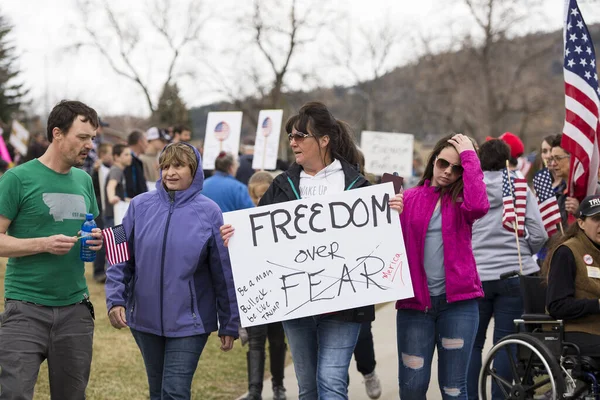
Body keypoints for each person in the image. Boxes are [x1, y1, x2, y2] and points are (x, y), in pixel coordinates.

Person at [221, 101, 404, 399]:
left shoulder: (357, 185)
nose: (292, 142)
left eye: (299, 136)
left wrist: (394, 209)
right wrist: (235, 236)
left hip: (344, 306)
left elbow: (380, 235)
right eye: (290, 136)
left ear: (324, 140)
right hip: (297, 307)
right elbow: (257, 234)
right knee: (308, 388)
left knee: (331, 381)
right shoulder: (281, 185)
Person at [105, 142, 239, 400]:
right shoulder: (138, 205)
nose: (170, 173)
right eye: (165, 166)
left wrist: (229, 322)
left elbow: (223, 271)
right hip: (144, 319)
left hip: (190, 323)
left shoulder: (210, 212)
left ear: (195, 170)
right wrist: (115, 299)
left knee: (174, 392)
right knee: (157, 393)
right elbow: (118, 253)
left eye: (178, 165)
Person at [0, 100, 103, 399]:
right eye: (82, 137)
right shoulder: (17, 179)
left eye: (92, 138)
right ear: (57, 133)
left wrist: (93, 240)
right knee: (14, 394)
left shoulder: (84, 180)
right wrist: (43, 244)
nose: (89, 145)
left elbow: (89, 226)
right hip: (25, 309)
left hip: (76, 310)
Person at [396, 133, 489, 400]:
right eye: (443, 164)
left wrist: (470, 156)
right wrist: (391, 211)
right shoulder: (409, 198)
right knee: (412, 389)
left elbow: (480, 204)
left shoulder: (463, 203)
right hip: (415, 307)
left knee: (454, 388)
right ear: (433, 160)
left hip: (458, 306)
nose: (448, 172)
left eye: (457, 168)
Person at [467, 139, 548, 400]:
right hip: (515, 273)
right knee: (505, 345)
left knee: (472, 345)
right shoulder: (520, 186)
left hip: (477, 276)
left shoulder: (470, 189)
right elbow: (539, 232)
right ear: (507, 160)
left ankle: (469, 395)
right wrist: (526, 248)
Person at [242, 171, 288, 400]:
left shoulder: (284, 218)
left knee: (278, 341)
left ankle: (278, 385)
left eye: (264, 195)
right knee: (256, 341)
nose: (260, 201)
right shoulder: (245, 222)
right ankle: (254, 389)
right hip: (256, 292)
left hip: (280, 290)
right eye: (256, 197)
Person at [545, 195, 600, 355]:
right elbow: (556, 306)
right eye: (596, 219)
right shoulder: (567, 252)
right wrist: (596, 305)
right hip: (577, 330)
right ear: (581, 223)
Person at [91, 142, 113, 283]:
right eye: (110, 153)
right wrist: (95, 171)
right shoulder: (97, 169)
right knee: (100, 239)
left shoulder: (112, 168)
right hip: (100, 206)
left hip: (110, 208)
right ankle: (98, 271)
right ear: (103, 155)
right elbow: (93, 187)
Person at [549, 134, 579, 225]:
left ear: (572, 158)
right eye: (552, 159)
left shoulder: (591, 189)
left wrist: (580, 211)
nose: (553, 163)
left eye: (558, 158)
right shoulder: (559, 193)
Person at [104, 144, 133, 228]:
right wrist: (111, 197)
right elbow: (111, 186)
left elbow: (120, 197)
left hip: (115, 214)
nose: (130, 157)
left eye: (130, 154)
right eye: (126, 154)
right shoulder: (116, 170)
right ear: (116, 157)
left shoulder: (119, 171)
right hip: (113, 216)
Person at [124, 129, 148, 198]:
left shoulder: (135, 160)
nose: (147, 145)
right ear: (140, 142)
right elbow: (130, 185)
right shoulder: (129, 161)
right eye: (146, 141)